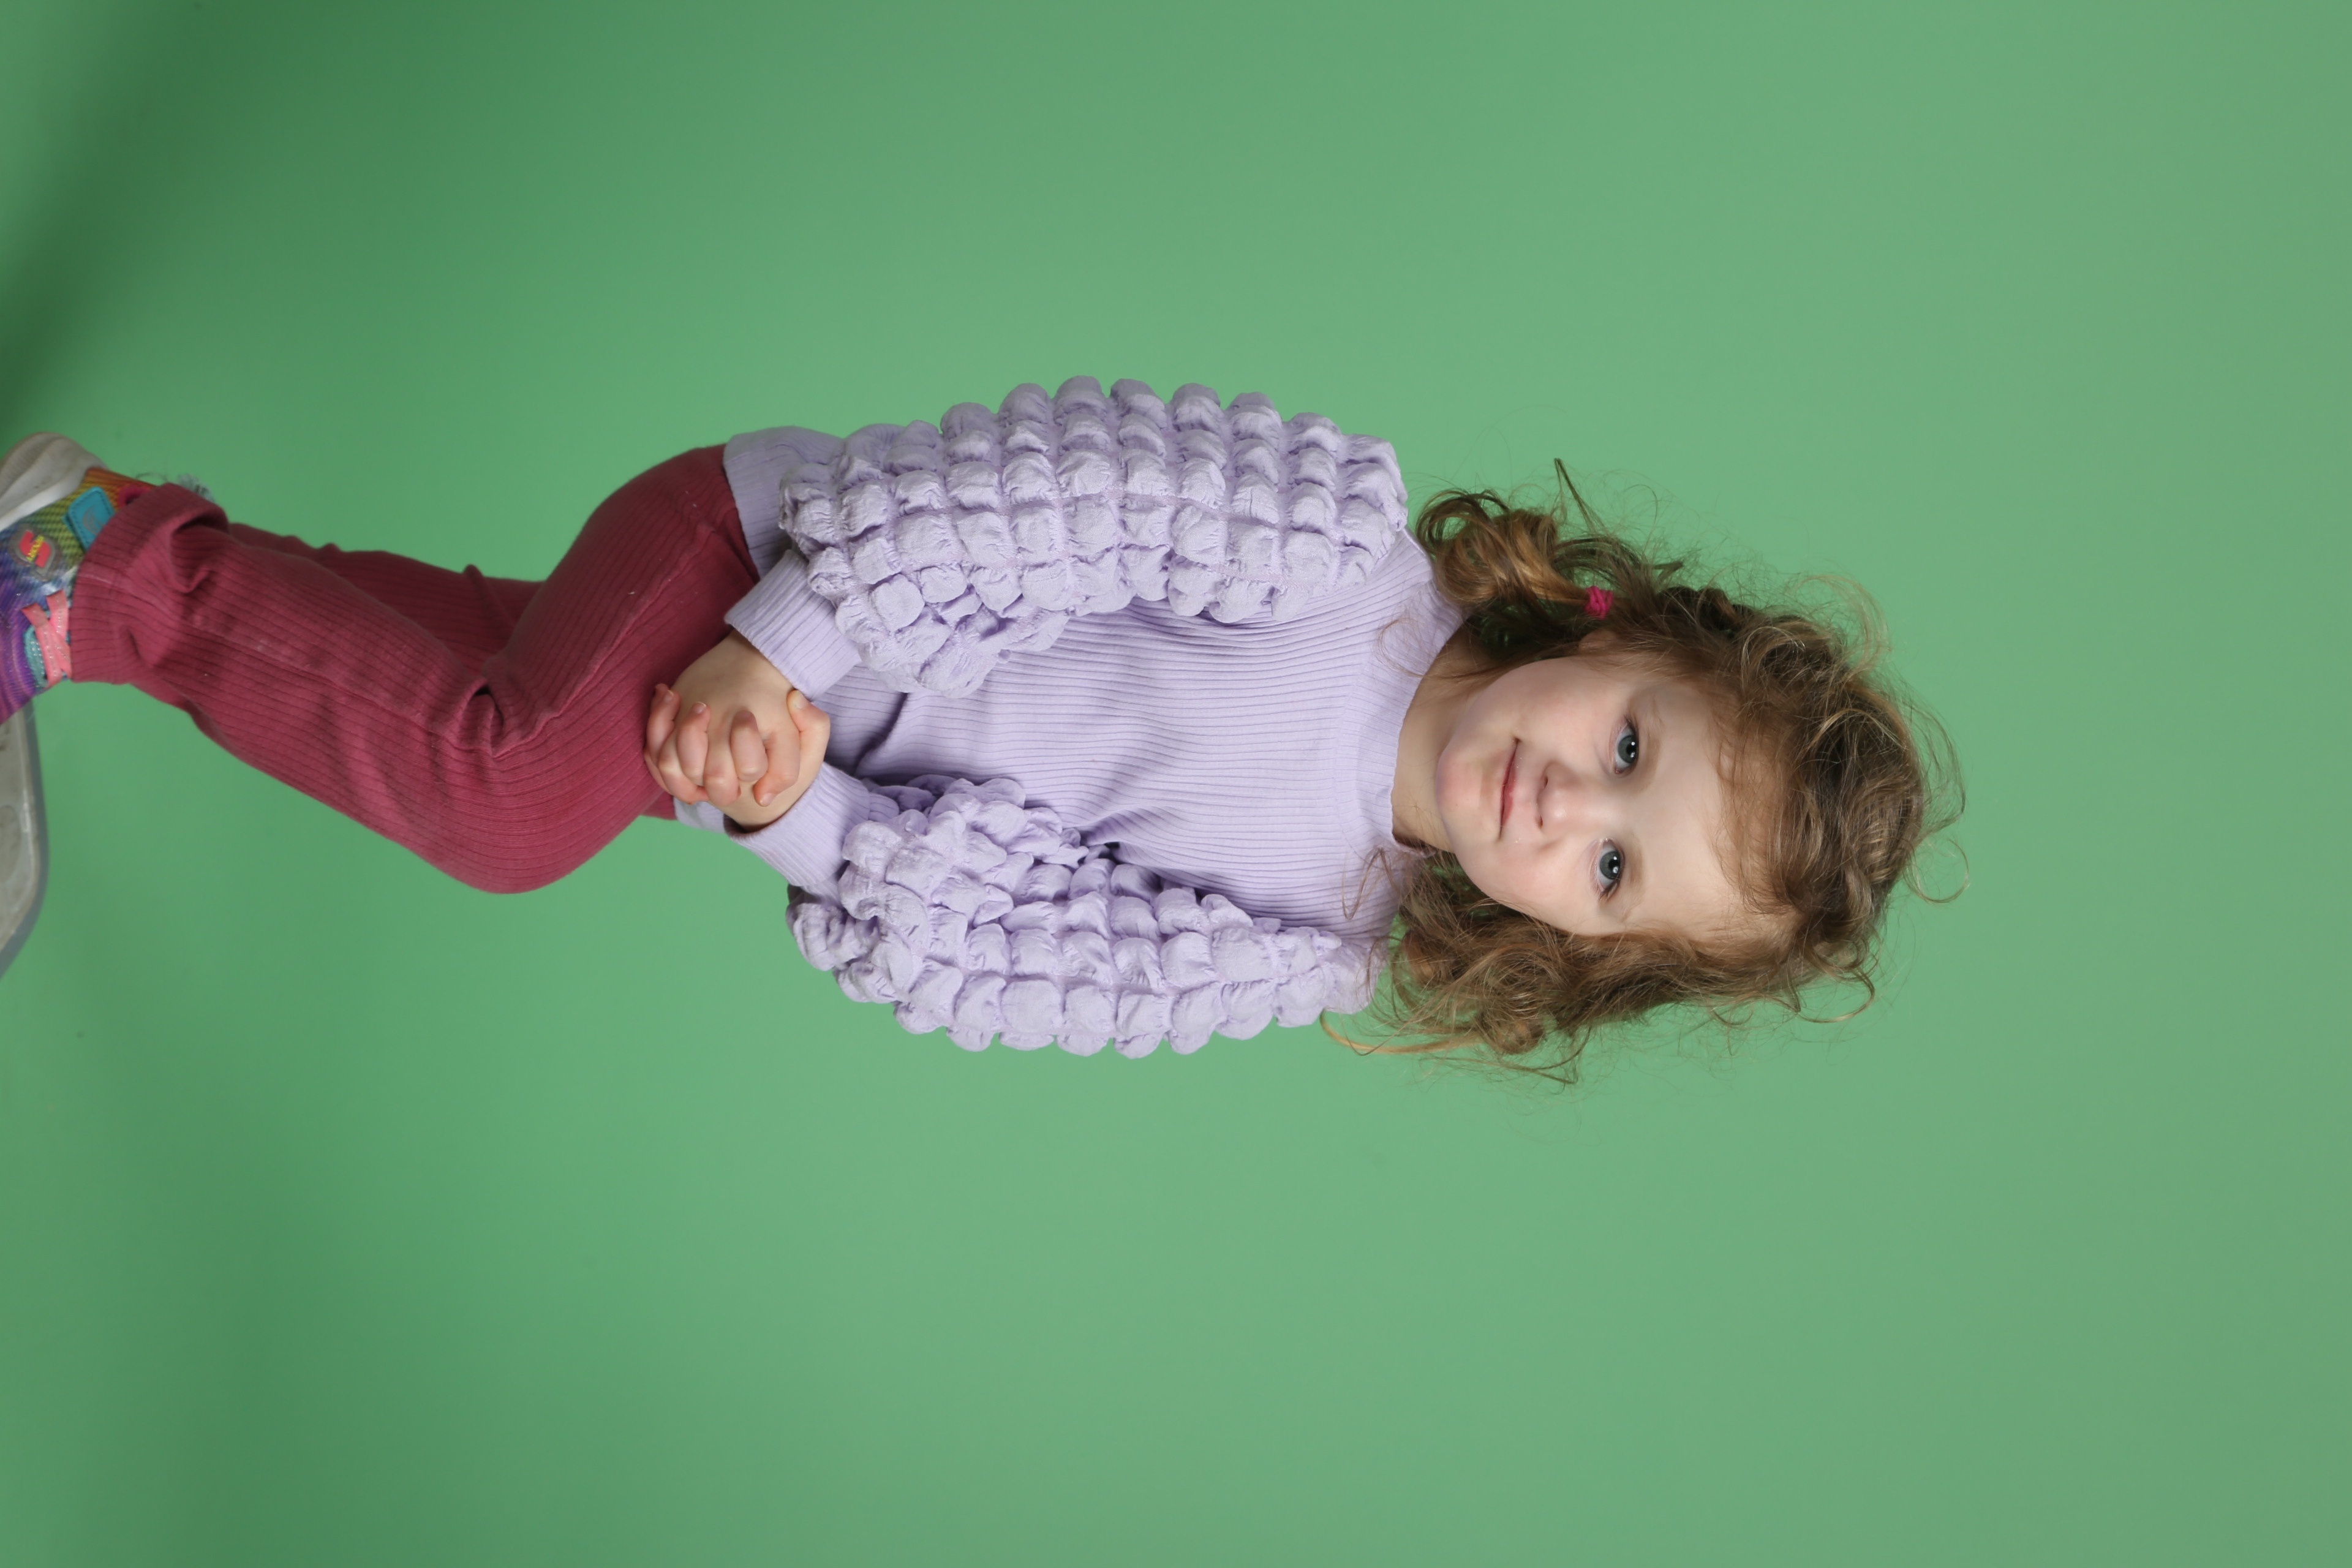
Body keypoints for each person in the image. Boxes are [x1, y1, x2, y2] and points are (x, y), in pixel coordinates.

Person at [0, 379, 1952, 1075]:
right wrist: (791, 642)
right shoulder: (1337, 551)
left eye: (1611, 867)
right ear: (1622, 628)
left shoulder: (1310, 936)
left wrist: (796, 812)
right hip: (768, 552)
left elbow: (1019, 954)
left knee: (475, 672)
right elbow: (1028, 492)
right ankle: (80, 569)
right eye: (1632, 745)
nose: (1563, 800)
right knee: (507, 789)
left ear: (1580, 950)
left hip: (764, 745)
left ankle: (117, 552)